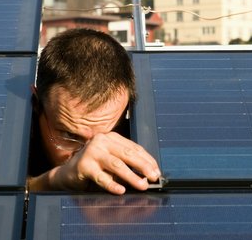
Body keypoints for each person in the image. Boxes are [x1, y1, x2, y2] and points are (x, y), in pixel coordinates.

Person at [28, 28, 161, 195]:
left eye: (106, 135)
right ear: (35, 104)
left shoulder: (151, 138)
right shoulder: (2, 141)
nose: (89, 154)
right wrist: (52, 180)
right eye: (69, 135)